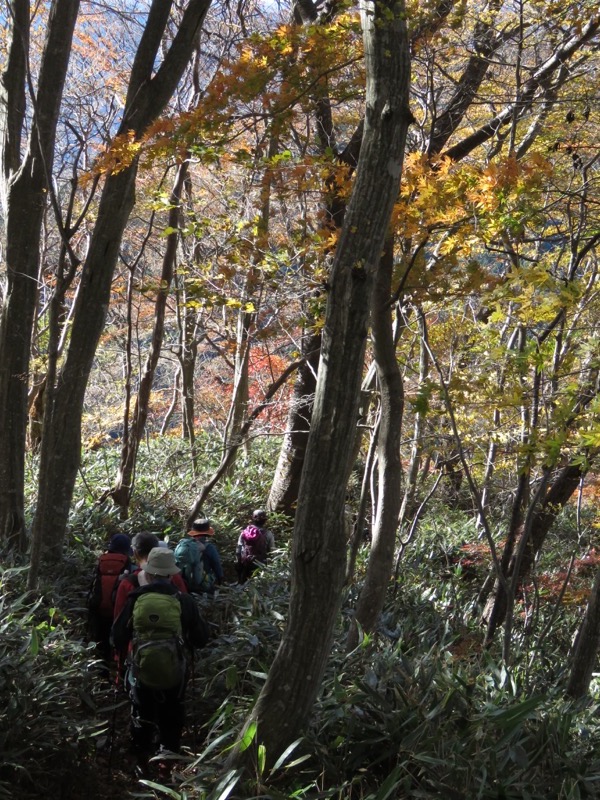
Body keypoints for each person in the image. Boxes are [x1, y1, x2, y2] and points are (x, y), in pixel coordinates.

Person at [112, 547, 209, 777]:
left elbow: (116, 637)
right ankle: (166, 761)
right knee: (172, 712)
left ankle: (141, 759)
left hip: (141, 668)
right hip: (175, 671)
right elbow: (201, 639)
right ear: (170, 574)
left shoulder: (135, 598)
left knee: (141, 709)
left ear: (151, 573)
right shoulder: (183, 600)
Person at [113, 531, 187, 621]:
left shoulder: (128, 583)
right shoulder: (173, 576)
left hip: (139, 634)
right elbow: (185, 608)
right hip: (171, 633)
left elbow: (119, 618)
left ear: (135, 553)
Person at [87, 533, 133, 668]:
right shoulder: (126, 561)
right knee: (117, 636)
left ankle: (101, 668)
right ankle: (118, 665)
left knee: (100, 636)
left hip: (98, 605)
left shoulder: (102, 560)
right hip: (116, 606)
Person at [235, 509, 275, 584]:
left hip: (246, 562)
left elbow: (239, 548)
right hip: (261, 564)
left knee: (244, 585)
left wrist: (239, 562)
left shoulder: (245, 531)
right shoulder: (268, 534)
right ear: (265, 520)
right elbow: (272, 551)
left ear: (253, 519)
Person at [188, 518, 224, 591]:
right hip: (204, 582)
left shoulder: (187, 545)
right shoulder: (209, 547)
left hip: (186, 582)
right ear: (207, 532)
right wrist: (220, 579)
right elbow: (216, 564)